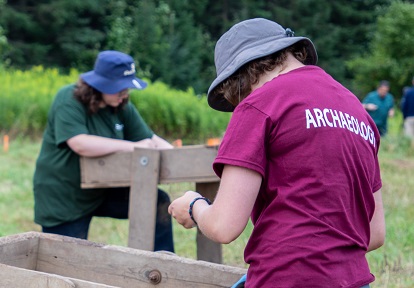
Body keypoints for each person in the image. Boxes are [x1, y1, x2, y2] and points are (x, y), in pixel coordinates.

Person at [168, 18, 385, 287]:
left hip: (285, 279)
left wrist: (194, 205)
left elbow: (224, 226)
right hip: (352, 280)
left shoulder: (259, 104)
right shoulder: (357, 110)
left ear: (238, 77)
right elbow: (374, 234)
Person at [33, 50, 174, 252]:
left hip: (102, 188)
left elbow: (150, 139)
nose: (125, 93)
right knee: (65, 261)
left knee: (156, 201)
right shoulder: (68, 98)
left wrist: (178, 156)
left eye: (127, 88)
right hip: (65, 196)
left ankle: (164, 266)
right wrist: (133, 147)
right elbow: (79, 143)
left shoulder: (121, 105)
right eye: (119, 89)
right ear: (100, 84)